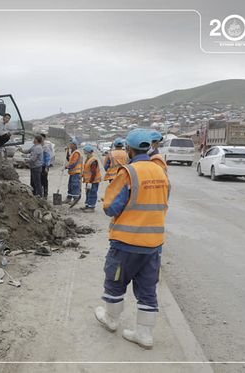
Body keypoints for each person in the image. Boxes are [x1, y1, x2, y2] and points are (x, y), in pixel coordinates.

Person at [94, 129, 170, 350]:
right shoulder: (160, 171)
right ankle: (144, 335)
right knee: (147, 288)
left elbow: (111, 207)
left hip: (126, 242)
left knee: (115, 282)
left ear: (129, 149)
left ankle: (111, 319)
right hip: (153, 244)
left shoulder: (129, 172)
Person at [81, 145, 101, 212]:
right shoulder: (88, 159)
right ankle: (87, 205)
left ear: (88, 152)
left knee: (92, 193)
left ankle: (91, 207)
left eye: (85, 152)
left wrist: (90, 181)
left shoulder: (93, 161)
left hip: (93, 181)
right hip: (89, 180)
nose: (84, 153)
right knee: (88, 193)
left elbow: (93, 173)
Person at [64, 138, 83, 205]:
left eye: (71, 144)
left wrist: (67, 167)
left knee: (75, 185)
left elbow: (73, 163)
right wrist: (67, 152)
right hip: (72, 172)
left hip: (76, 172)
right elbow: (69, 159)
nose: (70, 145)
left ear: (74, 145)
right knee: (70, 185)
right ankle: (69, 198)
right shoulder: (73, 152)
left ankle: (75, 199)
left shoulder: (77, 153)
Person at [40, 133, 55, 199]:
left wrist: (46, 166)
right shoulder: (38, 145)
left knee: (44, 180)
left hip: (44, 165)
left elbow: (48, 157)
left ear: (44, 138)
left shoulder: (46, 146)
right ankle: (40, 192)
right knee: (39, 180)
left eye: (41, 138)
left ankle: (45, 194)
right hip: (39, 165)